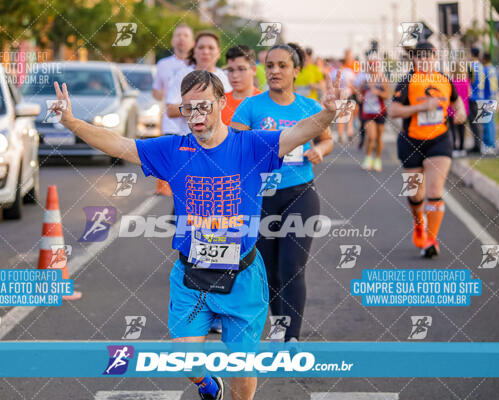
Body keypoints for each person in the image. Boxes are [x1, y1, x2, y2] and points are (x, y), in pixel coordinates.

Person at [50, 69, 342, 399]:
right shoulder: (172, 150)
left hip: (243, 278)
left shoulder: (251, 145)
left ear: (221, 103)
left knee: (242, 376)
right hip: (191, 277)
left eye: (203, 106)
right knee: (187, 363)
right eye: (188, 108)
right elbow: (119, 145)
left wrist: (328, 113)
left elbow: (297, 133)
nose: (196, 116)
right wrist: (72, 123)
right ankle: (207, 385)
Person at [231, 42, 334, 343]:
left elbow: (327, 140)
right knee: (269, 271)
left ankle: (292, 338)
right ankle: (278, 328)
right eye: (270, 65)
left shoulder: (309, 107)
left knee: (292, 266)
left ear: (296, 71)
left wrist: (318, 150)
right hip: (260, 198)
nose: (274, 71)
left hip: (299, 193)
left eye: (282, 66)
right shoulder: (250, 106)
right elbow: (236, 147)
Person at [389, 42, 466, 258]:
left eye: (428, 57)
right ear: (414, 60)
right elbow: (393, 110)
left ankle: (431, 240)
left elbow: (457, 102)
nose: (424, 61)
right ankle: (419, 223)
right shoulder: (407, 82)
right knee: (415, 195)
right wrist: (420, 107)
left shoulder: (443, 79)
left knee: (434, 192)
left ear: (435, 58)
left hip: (439, 141)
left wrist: (460, 113)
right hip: (410, 142)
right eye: (419, 58)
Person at [152, 24, 194, 195]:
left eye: (185, 35)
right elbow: (155, 91)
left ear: (192, 41)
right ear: (172, 40)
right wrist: (170, 96)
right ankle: (165, 189)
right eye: (178, 35)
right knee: (169, 159)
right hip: (170, 121)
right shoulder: (163, 64)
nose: (181, 39)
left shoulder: (197, 65)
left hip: (192, 123)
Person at [165, 31, 232, 136]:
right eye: (201, 47)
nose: (205, 52)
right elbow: (170, 110)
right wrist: (204, 106)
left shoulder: (226, 77)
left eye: (211, 48)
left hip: (220, 140)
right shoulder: (182, 74)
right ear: (194, 52)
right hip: (189, 138)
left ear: (218, 52)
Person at [357, 56, 390, 171]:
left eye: (374, 66)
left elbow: (387, 95)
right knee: (371, 136)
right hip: (367, 112)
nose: (372, 68)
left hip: (380, 112)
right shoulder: (365, 81)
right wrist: (360, 98)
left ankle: (378, 159)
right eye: (370, 66)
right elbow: (359, 94)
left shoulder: (383, 80)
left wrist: (377, 92)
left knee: (379, 138)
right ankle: (368, 157)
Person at [221, 45, 261, 125]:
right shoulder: (220, 103)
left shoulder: (264, 101)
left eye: (241, 69)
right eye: (230, 70)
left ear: (253, 70)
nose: (235, 75)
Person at [448, 60, 470, 157]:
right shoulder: (466, 81)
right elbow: (469, 94)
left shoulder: (452, 82)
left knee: (453, 130)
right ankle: (462, 148)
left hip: (452, 110)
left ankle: (454, 148)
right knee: (462, 130)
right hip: (464, 109)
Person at [331, 58, 356, 144]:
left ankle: (349, 132)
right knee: (340, 115)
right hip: (340, 95)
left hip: (348, 94)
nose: (337, 64)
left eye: (338, 63)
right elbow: (332, 85)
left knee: (349, 114)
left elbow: (353, 85)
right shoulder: (334, 72)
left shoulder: (348, 72)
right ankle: (341, 134)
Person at [467, 47, 485, 154]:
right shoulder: (481, 65)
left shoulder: (471, 66)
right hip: (481, 96)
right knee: (480, 122)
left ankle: (477, 146)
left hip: (473, 97)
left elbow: (468, 80)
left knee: (474, 123)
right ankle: (479, 145)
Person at [481, 52, 498, 155]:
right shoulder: (493, 69)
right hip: (493, 97)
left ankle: (489, 145)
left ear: (484, 59)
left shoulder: (484, 70)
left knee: (486, 122)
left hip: (486, 98)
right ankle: (492, 144)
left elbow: (482, 85)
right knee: (491, 122)